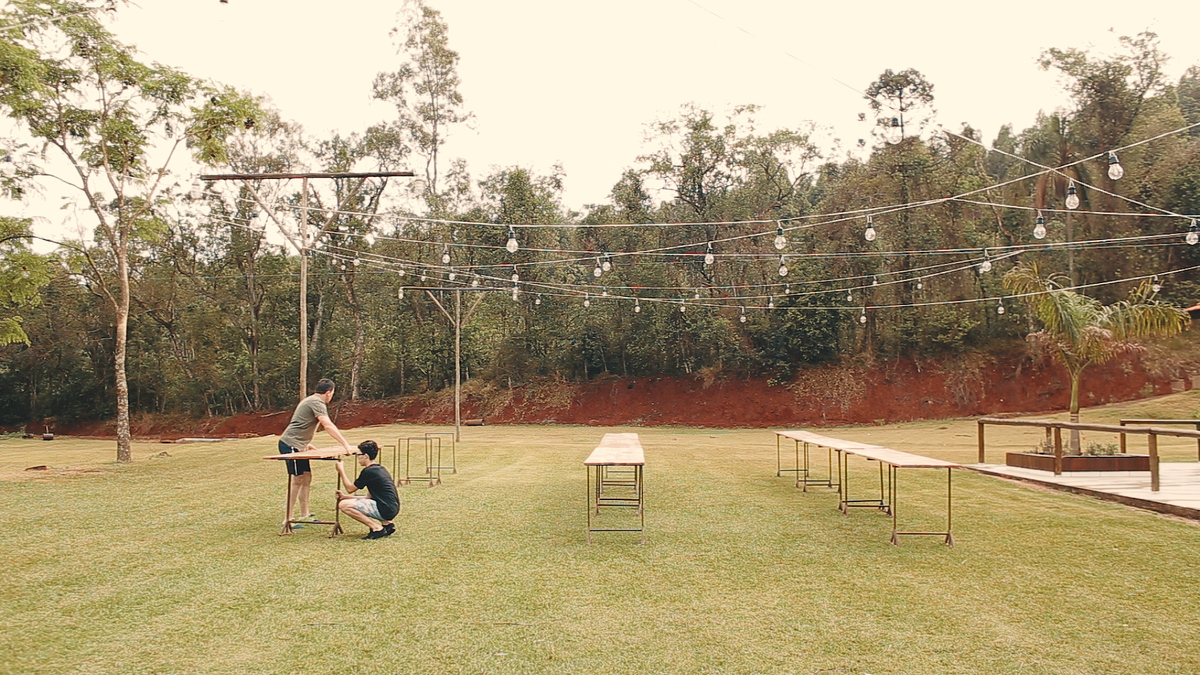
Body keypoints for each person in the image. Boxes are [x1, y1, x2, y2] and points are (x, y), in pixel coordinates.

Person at [278, 378, 353, 529]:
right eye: (333, 393)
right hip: (290, 444)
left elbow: (302, 423)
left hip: (299, 445)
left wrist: (306, 443)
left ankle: (305, 514)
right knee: (297, 480)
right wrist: (345, 445)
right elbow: (327, 425)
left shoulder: (312, 401)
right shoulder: (317, 402)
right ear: (329, 392)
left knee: (306, 478)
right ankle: (288, 519)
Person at [335, 440, 400, 540]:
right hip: (391, 507)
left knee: (343, 505)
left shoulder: (369, 471)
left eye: (358, 455)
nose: (357, 458)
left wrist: (341, 471)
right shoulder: (379, 468)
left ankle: (376, 528)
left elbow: (350, 488)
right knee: (346, 501)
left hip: (385, 509)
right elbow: (368, 497)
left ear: (365, 456)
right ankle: (387, 524)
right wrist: (345, 497)